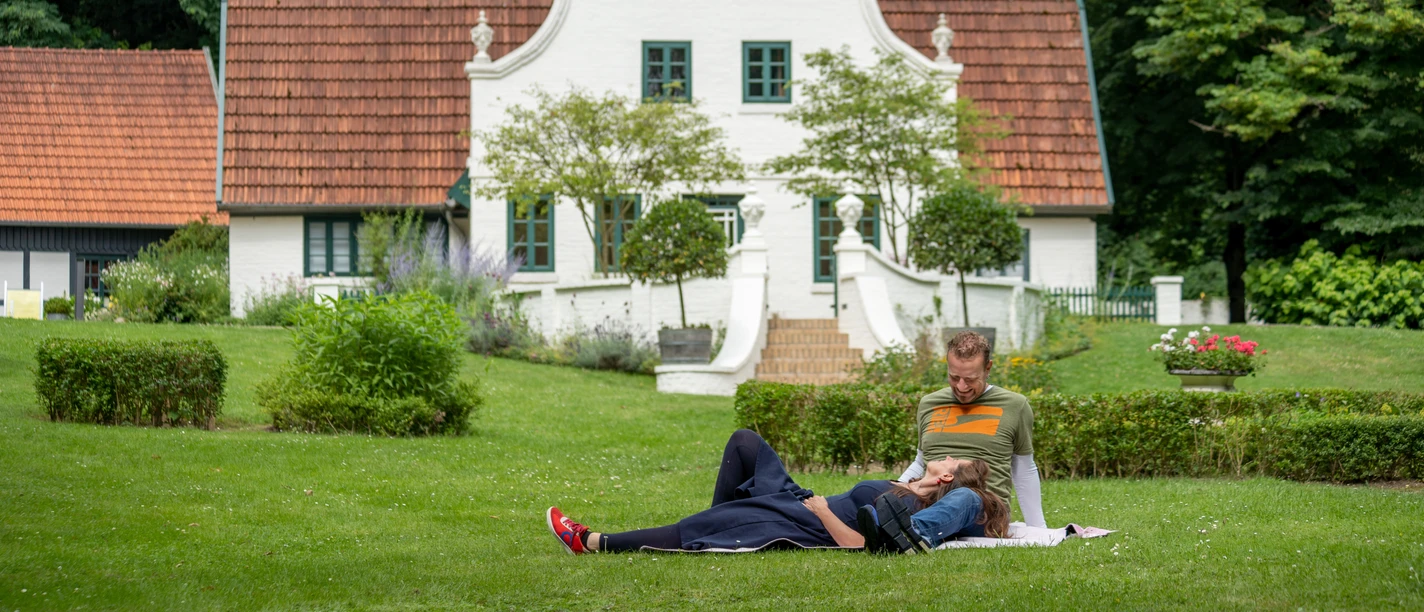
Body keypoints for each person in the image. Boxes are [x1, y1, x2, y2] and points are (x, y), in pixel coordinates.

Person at [546, 429, 1007, 555]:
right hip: (803, 500)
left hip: (812, 522)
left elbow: (857, 544)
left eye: (950, 460)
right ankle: (717, 525)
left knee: (716, 524)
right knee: (747, 442)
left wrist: (825, 511)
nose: (942, 457)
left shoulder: (909, 508)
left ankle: (590, 541)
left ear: (947, 477)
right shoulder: (904, 487)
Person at [897, 331, 1048, 534]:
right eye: (954, 377)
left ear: (988, 368)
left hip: (982, 511)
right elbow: (920, 461)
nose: (961, 387)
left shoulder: (1015, 405)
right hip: (928, 500)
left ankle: (909, 533)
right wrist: (894, 489)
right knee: (868, 490)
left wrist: (1038, 529)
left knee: (965, 497)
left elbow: (1024, 469)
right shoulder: (929, 404)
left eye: (970, 379)